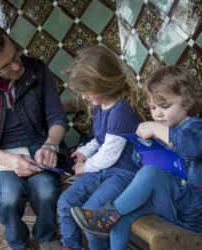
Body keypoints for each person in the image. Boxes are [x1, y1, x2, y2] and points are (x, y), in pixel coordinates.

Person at [0, 22, 67, 250]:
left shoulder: (36, 68)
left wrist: (50, 145)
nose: (17, 67)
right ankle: (18, 242)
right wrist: (11, 160)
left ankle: (46, 236)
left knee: (46, 189)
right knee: (9, 195)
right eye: (5, 66)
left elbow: (57, 117)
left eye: (16, 54)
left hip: (38, 143)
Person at [71, 66, 202, 250]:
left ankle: (107, 215)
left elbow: (193, 148)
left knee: (151, 172)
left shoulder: (195, 128)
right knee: (121, 220)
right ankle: (111, 217)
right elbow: (140, 161)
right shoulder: (162, 131)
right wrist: (142, 148)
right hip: (163, 202)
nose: (157, 113)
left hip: (187, 213)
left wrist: (158, 130)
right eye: (153, 107)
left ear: (187, 101)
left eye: (165, 106)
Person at [57, 46, 141, 250]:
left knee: (91, 217)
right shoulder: (101, 107)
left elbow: (108, 155)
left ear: (104, 84)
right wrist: (84, 152)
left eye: (86, 91)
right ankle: (71, 246)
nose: (84, 97)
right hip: (105, 171)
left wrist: (84, 168)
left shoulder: (121, 112)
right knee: (65, 202)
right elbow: (100, 139)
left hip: (123, 174)